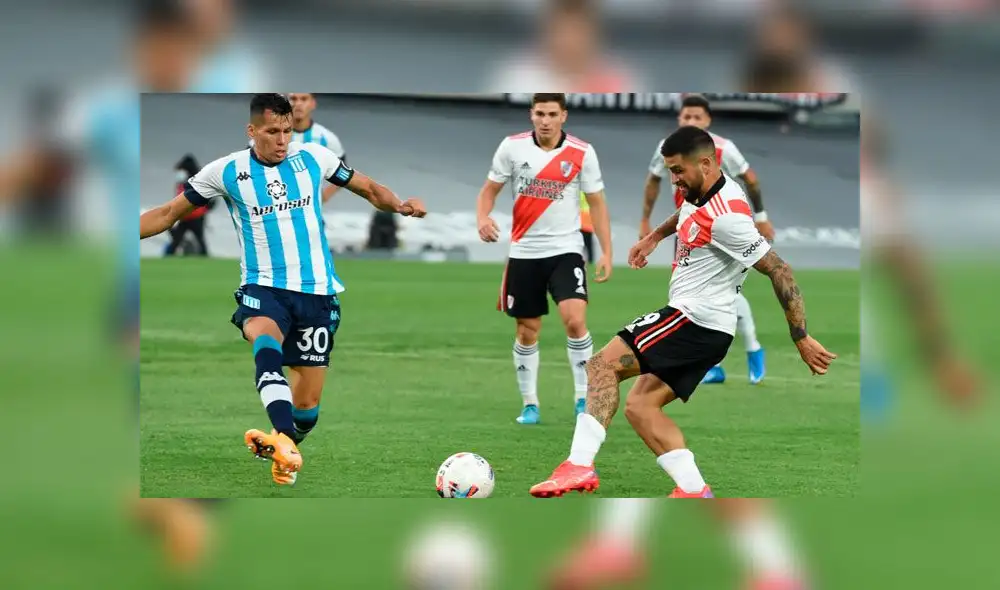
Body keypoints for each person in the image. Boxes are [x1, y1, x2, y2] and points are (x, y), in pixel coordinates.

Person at [530, 126, 836, 498]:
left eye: (678, 171)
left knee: (601, 366)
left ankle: (577, 466)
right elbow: (686, 211)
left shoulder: (729, 219)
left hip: (694, 320)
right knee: (641, 407)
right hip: (708, 330)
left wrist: (800, 337)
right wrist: (654, 237)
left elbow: (779, 269)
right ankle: (694, 491)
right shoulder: (701, 190)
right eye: (670, 171)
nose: (673, 180)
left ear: (706, 164)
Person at [139, 93, 426, 486]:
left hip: (318, 293)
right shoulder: (225, 172)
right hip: (264, 287)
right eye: (273, 131)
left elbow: (368, 187)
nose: (281, 140)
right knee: (265, 341)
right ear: (252, 130)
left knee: (306, 408)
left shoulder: (313, 158)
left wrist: (401, 206)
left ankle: (285, 443)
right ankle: (283, 438)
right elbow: (168, 214)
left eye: (287, 131)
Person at [476, 92, 612, 424]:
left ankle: (583, 398)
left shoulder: (582, 152)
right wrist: (483, 218)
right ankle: (530, 404)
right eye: (540, 114)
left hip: (566, 250)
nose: (546, 120)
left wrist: (607, 252)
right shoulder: (512, 147)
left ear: (563, 115)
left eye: (552, 114)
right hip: (524, 253)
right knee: (527, 330)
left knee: (575, 320)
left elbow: (596, 203)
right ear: (531, 115)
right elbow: (488, 191)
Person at [640, 94, 773, 385]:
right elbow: (653, 181)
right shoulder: (668, 148)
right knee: (692, 293)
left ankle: (751, 350)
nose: (691, 122)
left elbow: (750, 179)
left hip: (723, 228)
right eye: (686, 117)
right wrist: (647, 223)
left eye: (697, 117)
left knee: (723, 292)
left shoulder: (724, 148)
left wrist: (761, 216)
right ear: (679, 119)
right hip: (688, 228)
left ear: (708, 121)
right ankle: (712, 364)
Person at [165, 154, 212, 256]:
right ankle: (205, 258)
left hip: (186, 215)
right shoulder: (200, 177)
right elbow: (210, 198)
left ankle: (168, 256)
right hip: (196, 215)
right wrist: (206, 209)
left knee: (177, 240)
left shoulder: (184, 182)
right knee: (200, 240)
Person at [579, 191, 594, 264]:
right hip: (588, 223)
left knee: (580, 245)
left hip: (581, 223)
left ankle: (579, 260)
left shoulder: (580, 193)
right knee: (589, 246)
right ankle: (591, 261)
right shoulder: (594, 191)